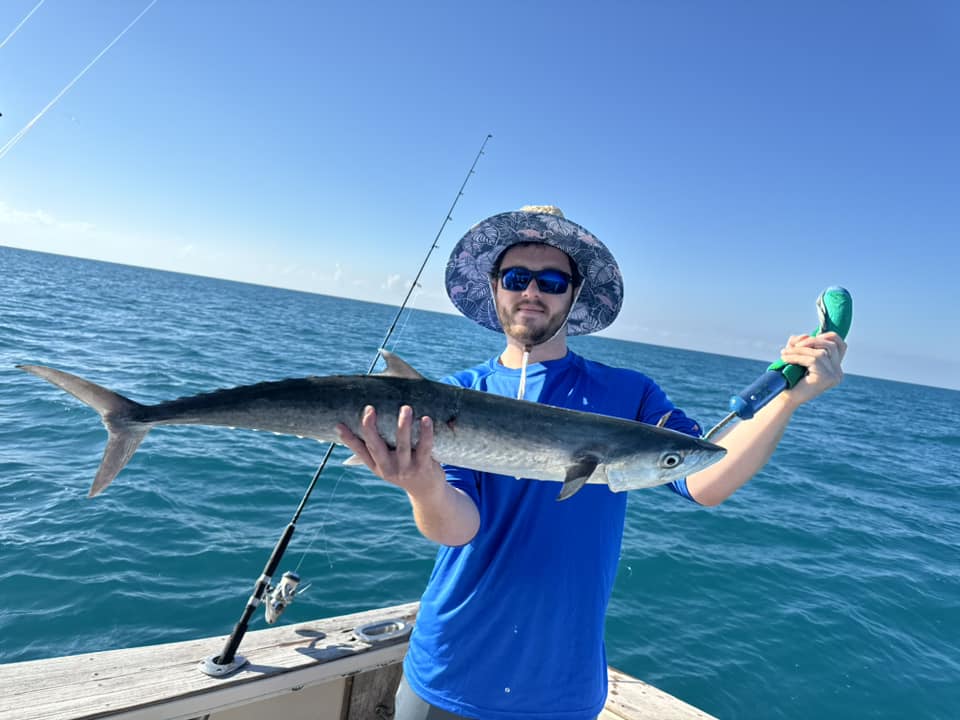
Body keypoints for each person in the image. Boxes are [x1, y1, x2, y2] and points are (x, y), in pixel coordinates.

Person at [336, 206, 846, 720]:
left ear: (574, 294)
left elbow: (703, 480)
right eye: (516, 277)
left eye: (552, 280)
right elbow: (457, 527)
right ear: (495, 288)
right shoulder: (460, 394)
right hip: (449, 670)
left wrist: (787, 401)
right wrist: (422, 487)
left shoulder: (629, 394)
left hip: (564, 688)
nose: (532, 291)